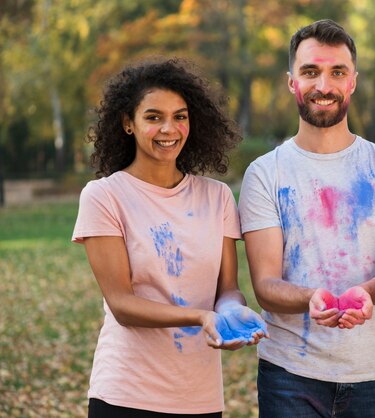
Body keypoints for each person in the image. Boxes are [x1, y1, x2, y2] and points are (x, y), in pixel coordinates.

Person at [238, 19, 375, 417]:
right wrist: (309, 298)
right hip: (289, 374)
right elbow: (265, 285)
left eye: (337, 72)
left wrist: (366, 294)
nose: (323, 86)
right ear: (291, 82)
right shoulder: (265, 173)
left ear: (353, 81)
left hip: (372, 372)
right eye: (310, 72)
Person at [72, 58, 267, 417]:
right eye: (153, 117)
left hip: (201, 397)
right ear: (128, 123)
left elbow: (227, 287)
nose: (169, 128)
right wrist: (200, 318)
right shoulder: (104, 196)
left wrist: (229, 311)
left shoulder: (218, 196)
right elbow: (122, 304)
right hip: (126, 395)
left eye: (180, 116)